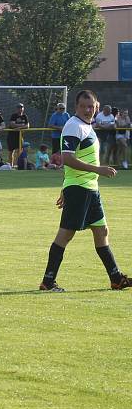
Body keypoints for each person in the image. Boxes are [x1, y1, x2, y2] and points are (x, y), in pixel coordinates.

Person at [39, 89, 130, 292]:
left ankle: (116, 279)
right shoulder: (73, 125)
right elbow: (68, 158)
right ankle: (48, 281)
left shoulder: (87, 126)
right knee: (66, 234)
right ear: (76, 107)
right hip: (79, 189)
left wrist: (64, 187)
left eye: (91, 106)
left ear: (97, 106)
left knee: (102, 231)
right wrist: (98, 170)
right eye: (83, 106)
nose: (88, 110)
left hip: (90, 189)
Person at [8, 103, 30, 168]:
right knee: (11, 151)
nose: (20, 109)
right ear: (17, 109)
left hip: (20, 136)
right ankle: (10, 166)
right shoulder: (13, 116)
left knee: (19, 151)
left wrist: (19, 127)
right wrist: (22, 126)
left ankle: (18, 165)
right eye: (19, 108)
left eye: (21, 108)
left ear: (23, 109)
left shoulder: (25, 116)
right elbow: (12, 124)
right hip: (12, 136)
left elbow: (28, 126)